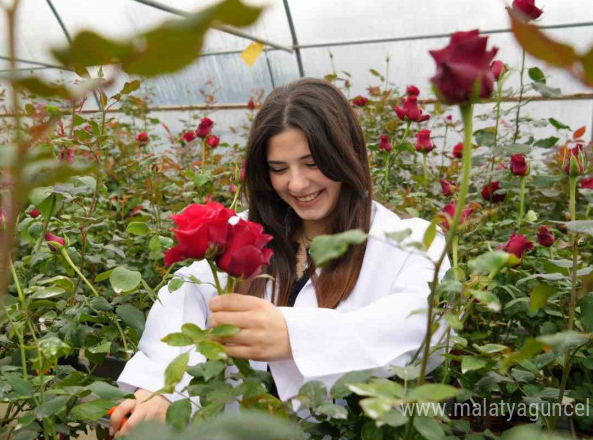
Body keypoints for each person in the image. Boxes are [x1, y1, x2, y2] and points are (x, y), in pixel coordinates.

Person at [109, 78, 451, 437]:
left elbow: (423, 327)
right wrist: (164, 390)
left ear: (346, 154)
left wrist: (295, 335)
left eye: (312, 162)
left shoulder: (409, 241)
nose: (298, 184)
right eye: (279, 169)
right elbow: (184, 303)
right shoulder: (247, 233)